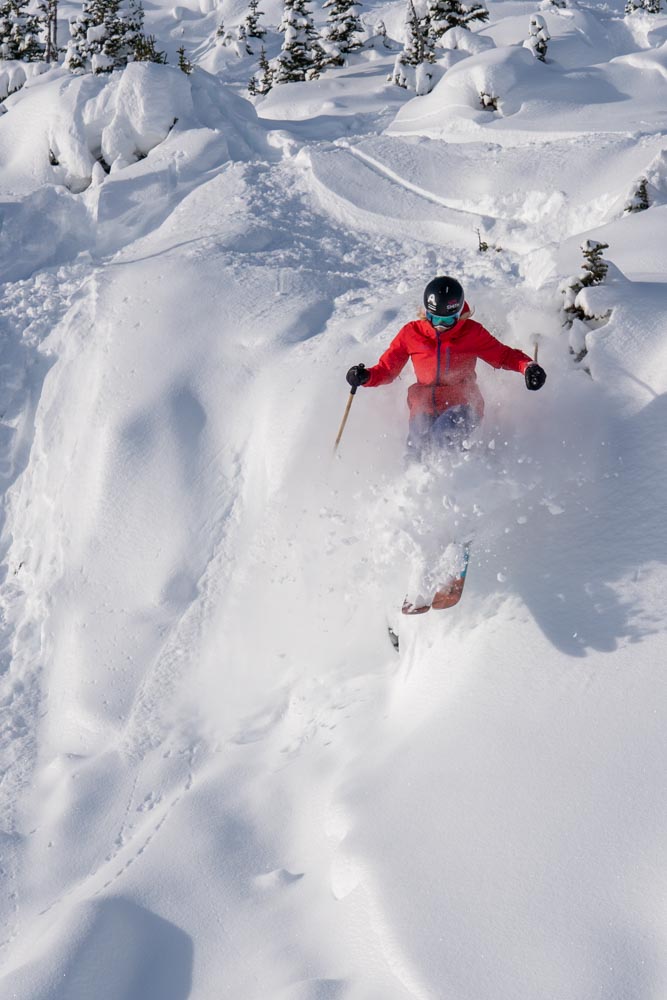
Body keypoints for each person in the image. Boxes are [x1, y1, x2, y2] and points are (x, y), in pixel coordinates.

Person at [346, 276, 546, 459]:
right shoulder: (411, 333)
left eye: (448, 320)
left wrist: (528, 366)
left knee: (443, 435)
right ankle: (414, 484)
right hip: (423, 405)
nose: (440, 325)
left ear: (459, 314)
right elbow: (387, 369)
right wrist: (365, 376)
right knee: (416, 448)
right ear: (426, 312)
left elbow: (503, 355)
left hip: (464, 404)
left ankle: (463, 476)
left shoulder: (472, 333)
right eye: (435, 318)